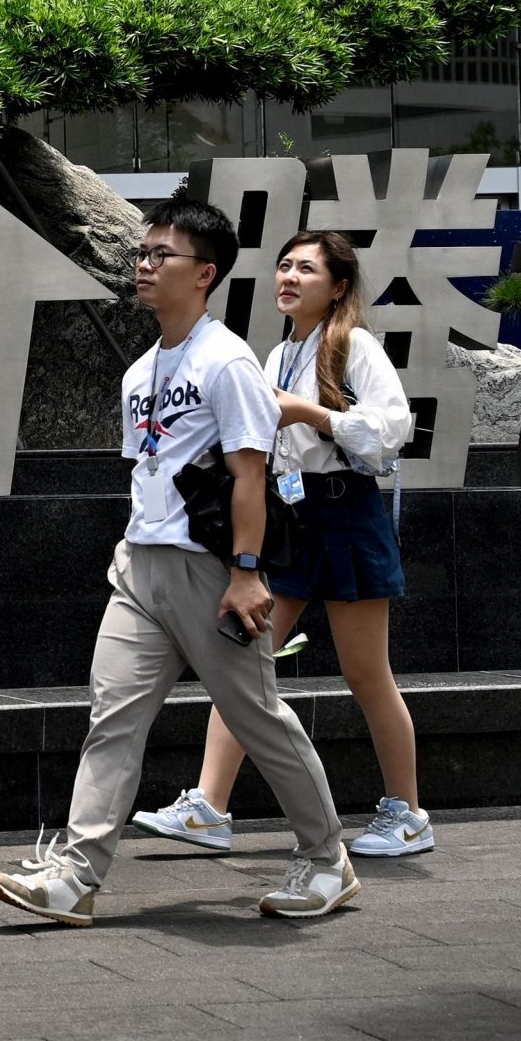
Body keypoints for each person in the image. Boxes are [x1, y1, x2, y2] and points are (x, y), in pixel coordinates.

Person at [0, 195, 357, 925]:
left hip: (210, 572)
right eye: (144, 253)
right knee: (112, 716)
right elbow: (151, 468)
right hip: (140, 568)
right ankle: (75, 872)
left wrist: (247, 573)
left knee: (257, 718)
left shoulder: (228, 363)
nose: (146, 265)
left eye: (164, 255)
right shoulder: (139, 372)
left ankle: (326, 859)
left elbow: (249, 473)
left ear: (206, 273)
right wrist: (132, 545)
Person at [134, 229, 431, 860]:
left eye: (307, 270)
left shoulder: (353, 345)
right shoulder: (274, 355)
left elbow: (392, 429)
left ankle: (407, 814)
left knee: (365, 673)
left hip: (346, 512)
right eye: (284, 267)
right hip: (292, 517)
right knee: (239, 657)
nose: (289, 279)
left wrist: (310, 413)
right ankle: (209, 806)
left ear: (339, 286)